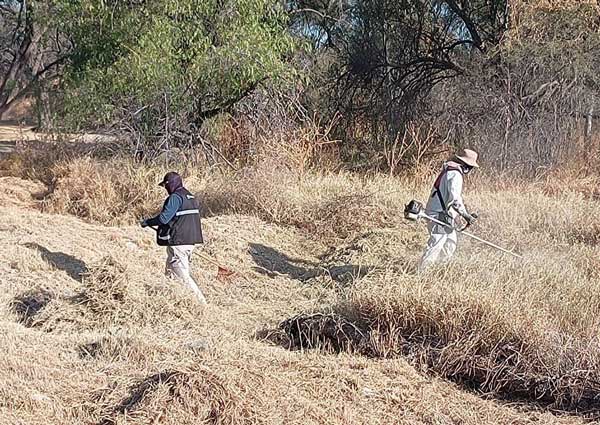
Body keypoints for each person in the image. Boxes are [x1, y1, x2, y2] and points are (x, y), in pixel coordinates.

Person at [141, 172, 207, 304]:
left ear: (171, 184)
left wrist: (147, 222)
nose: (165, 188)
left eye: (166, 185)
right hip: (190, 241)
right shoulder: (190, 196)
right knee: (170, 272)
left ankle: (201, 304)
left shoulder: (175, 198)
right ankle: (169, 301)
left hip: (179, 242)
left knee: (183, 276)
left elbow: (164, 218)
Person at [418, 149, 479, 270]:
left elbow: (451, 200)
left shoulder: (450, 171)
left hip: (443, 214)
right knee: (437, 243)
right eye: (470, 166)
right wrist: (466, 215)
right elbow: (455, 199)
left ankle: (441, 270)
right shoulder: (455, 175)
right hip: (438, 214)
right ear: (466, 165)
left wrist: (459, 216)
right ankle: (422, 273)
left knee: (450, 242)